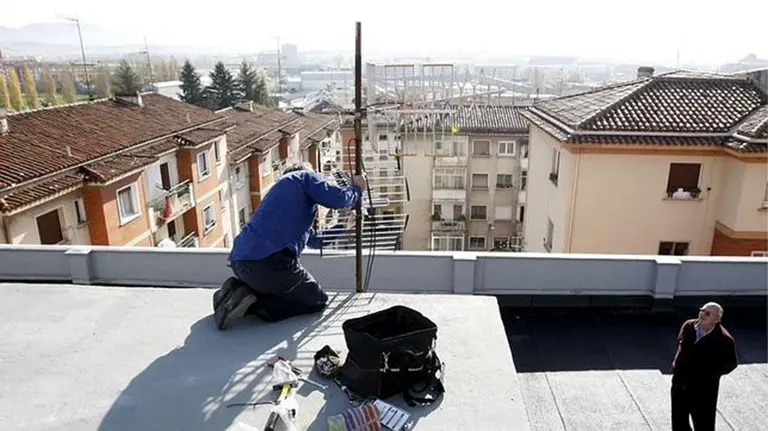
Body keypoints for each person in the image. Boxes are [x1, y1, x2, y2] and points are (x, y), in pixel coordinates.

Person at [213, 163, 366, 330]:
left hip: (240, 263)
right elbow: (337, 199)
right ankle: (254, 304)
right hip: (270, 263)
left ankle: (238, 289)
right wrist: (357, 189)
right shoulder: (303, 177)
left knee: (285, 291)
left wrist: (343, 227)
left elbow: (315, 241)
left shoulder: (283, 204)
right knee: (317, 301)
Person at [671, 301, 738, 431]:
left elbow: (731, 363)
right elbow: (680, 342)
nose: (702, 314)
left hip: (703, 390)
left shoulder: (724, 339)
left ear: (716, 319)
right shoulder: (688, 326)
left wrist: (710, 375)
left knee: (703, 424)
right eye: (702, 310)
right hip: (680, 384)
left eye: (707, 313)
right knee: (679, 422)